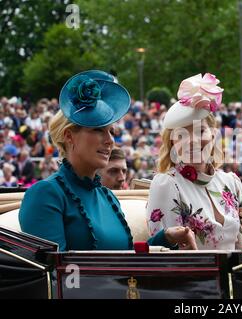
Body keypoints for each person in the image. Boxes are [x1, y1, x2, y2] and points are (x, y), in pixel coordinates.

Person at [19, 70, 196, 251]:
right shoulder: (45, 194)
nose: (110, 140)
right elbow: (57, 273)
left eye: (111, 131)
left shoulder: (108, 196)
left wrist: (165, 238)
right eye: (98, 130)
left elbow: (123, 259)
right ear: (69, 136)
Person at [146, 73, 242, 250]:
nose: (193, 140)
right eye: (182, 134)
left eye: (200, 131)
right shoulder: (167, 184)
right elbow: (168, 254)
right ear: (172, 141)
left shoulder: (232, 183)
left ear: (213, 134)